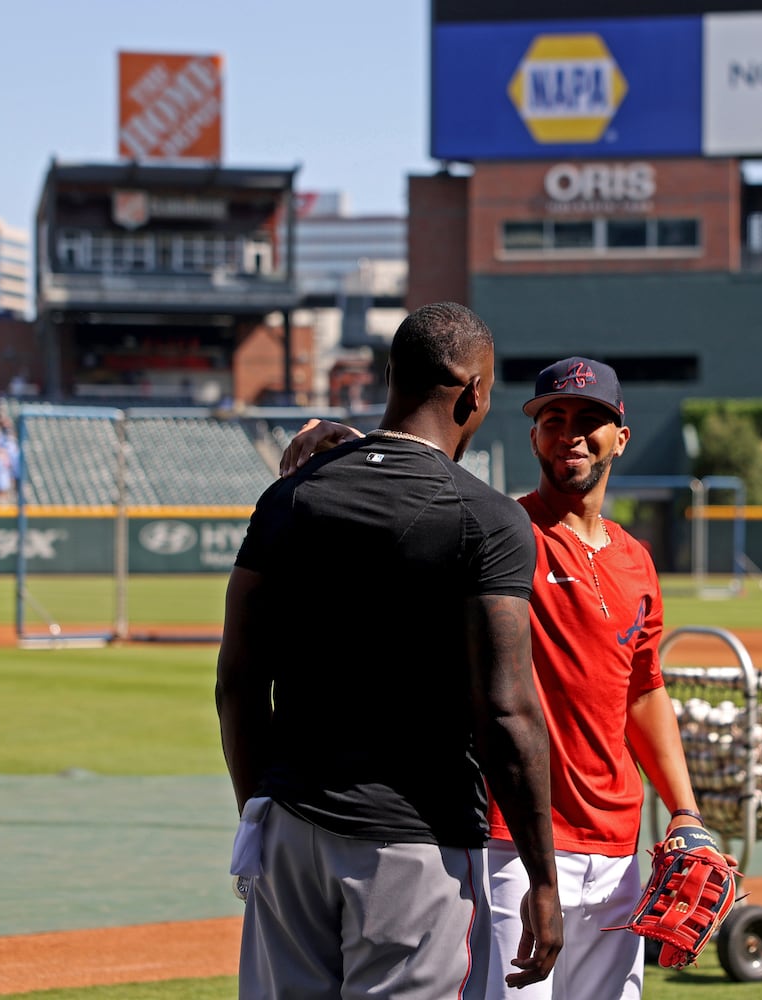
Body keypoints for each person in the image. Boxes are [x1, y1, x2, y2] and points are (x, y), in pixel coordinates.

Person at [282, 356, 707, 1000]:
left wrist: (686, 811)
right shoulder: (500, 529)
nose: (571, 433)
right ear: (532, 435)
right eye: (554, 418)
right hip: (513, 843)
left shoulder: (636, 561)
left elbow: (643, 690)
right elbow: (416, 488)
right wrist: (352, 442)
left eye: (590, 420)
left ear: (621, 436)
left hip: (619, 848)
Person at [217, 302, 562, 1000]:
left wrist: (262, 812)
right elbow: (506, 713)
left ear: (389, 377)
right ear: (473, 391)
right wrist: (543, 878)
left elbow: (239, 683)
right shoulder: (488, 520)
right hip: (417, 845)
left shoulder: (290, 496)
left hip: (290, 833)